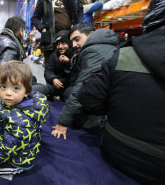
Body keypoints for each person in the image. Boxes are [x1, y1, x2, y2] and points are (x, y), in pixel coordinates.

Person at [77, 1, 165, 184]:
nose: (72, 45)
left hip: (116, 151)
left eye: (76, 39)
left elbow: (88, 97)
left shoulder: (123, 55)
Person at [52, 23, 118, 139]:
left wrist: (62, 122)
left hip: (109, 110)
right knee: (68, 92)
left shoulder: (94, 52)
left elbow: (81, 88)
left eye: (77, 39)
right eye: (71, 41)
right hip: (110, 99)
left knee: (77, 119)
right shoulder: (105, 47)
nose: (74, 45)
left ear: (91, 34)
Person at [31, 0, 83, 65]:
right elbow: (35, 18)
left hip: (68, 39)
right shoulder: (43, 1)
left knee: (71, 65)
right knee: (51, 67)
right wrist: (42, 28)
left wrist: (78, 27)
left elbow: (79, 12)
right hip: (51, 40)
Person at [32, 30, 73, 99]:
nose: (60, 46)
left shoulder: (75, 53)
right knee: (45, 88)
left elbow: (80, 72)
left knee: (68, 94)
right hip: (59, 84)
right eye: (58, 44)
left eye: (63, 43)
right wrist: (53, 79)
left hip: (72, 87)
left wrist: (69, 62)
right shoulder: (54, 56)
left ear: (69, 43)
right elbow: (48, 70)